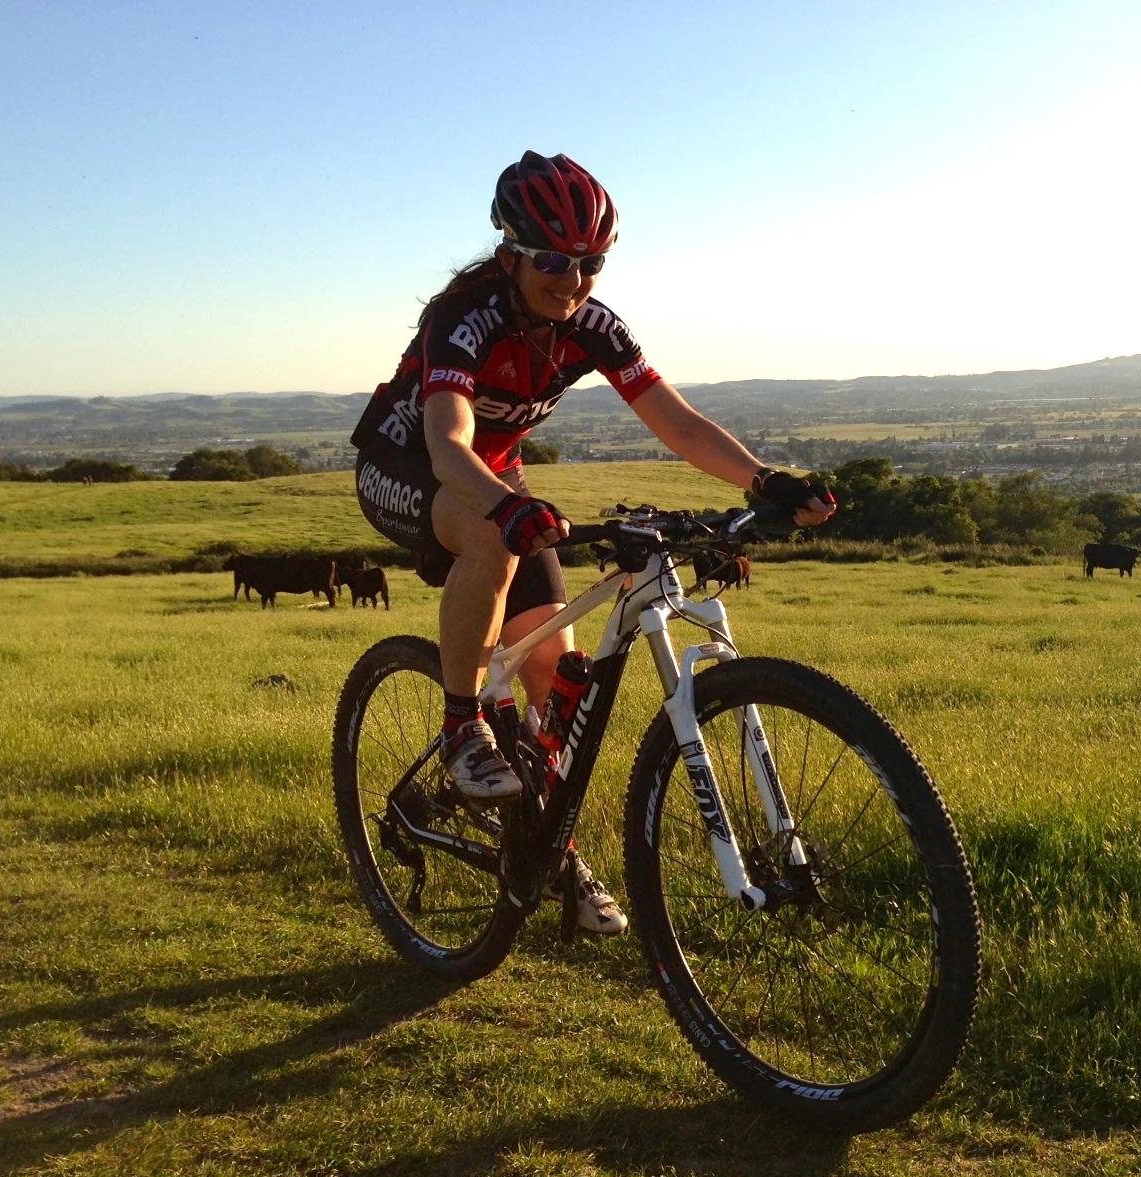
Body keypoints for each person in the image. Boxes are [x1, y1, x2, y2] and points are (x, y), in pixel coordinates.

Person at [351, 151, 834, 934]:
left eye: (591, 263)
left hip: (495, 478)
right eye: (551, 260)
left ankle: (554, 852)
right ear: (509, 252)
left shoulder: (593, 327)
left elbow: (675, 421)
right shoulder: (465, 317)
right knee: (491, 539)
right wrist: (501, 506)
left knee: (551, 675)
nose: (572, 280)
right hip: (408, 464)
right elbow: (447, 441)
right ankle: (460, 728)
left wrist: (763, 480)